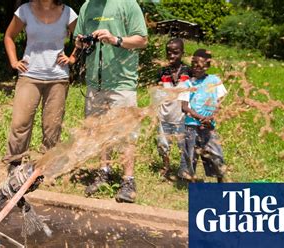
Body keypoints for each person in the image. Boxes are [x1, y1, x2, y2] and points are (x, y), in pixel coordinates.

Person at [74, 0, 148, 203]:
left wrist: (115, 39)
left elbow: (142, 40)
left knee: (125, 132)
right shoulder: (86, 6)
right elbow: (77, 42)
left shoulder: (128, 4)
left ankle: (128, 180)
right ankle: (103, 172)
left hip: (122, 82)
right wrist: (82, 42)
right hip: (94, 82)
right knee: (98, 130)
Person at [3, 0, 77, 170]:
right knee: (20, 123)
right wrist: (14, 62)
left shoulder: (67, 12)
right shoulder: (25, 10)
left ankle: (47, 167)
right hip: (29, 75)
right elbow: (9, 36)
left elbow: (82, 38)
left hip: (57, 78)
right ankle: (14, 164)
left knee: (52, 126)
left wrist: (72, 58)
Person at [179, 49, 227, 183]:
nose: (195, 68)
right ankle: (189, 182)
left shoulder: (214, 80)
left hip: (208, 127)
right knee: (190, 156)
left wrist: (210, 117)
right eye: (193, 64)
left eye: (199, 65)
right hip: (191, 127)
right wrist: (201, 118)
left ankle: (221, 181)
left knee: (216, 154)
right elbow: (184, 107)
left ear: (207, 66)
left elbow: (219, 103)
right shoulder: (186, 83)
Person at [155, 38, 191, 180]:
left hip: (182, 117)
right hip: (164, 116)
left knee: (184, 145)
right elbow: (157, 92)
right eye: (168, 53)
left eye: (175, 53)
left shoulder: (188, 71)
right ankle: (166, 165)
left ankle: (184, 168)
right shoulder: (162, 72)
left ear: (182, 53)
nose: (171, 56)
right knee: (163, 144)